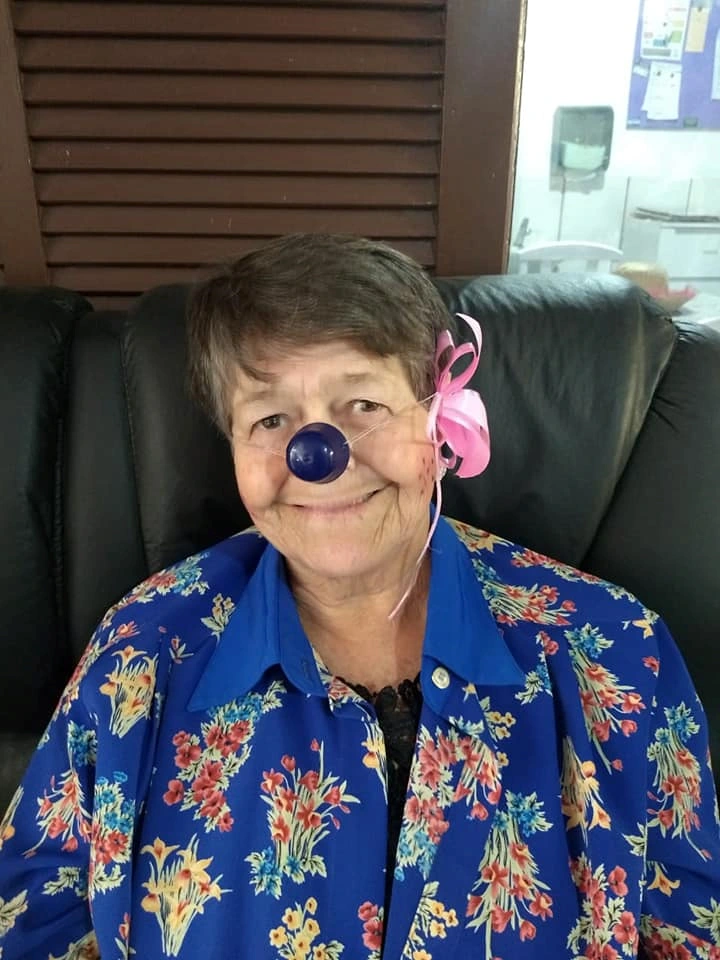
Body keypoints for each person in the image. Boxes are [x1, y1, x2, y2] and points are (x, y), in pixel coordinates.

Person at [0, 234, 718, 960]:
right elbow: (32, 924)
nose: (319, 458)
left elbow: (691, 931)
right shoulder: (140, 653)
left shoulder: (618, 653)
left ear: (440, 419)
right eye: (271, 420)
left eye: (364, 403)